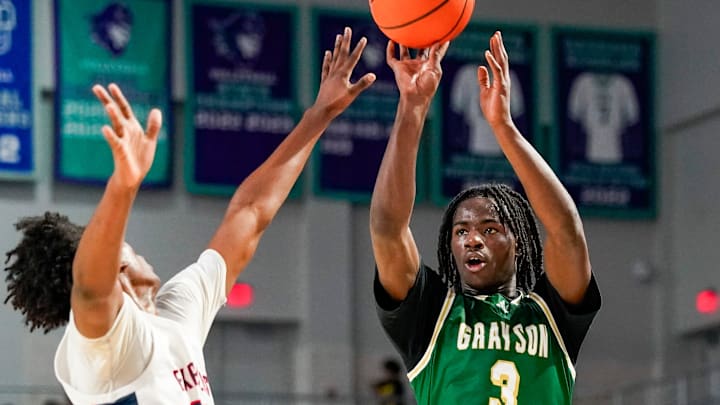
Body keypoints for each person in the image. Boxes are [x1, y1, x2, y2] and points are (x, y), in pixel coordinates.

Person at [3, 27, 375, 404]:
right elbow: (91, 286)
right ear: (115, 264)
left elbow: (249, 212)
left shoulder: (175, 310)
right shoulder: (101, 345)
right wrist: (123, 186)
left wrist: (319, 115)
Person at [369, 32, 601, 404]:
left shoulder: (551, 313)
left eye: (489, 228)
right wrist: (412, 106)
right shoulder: (431, 316)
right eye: (461, 231)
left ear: (520, 245)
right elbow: (386, 227)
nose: (471, 239)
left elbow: (566, 231)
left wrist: (505, 129)